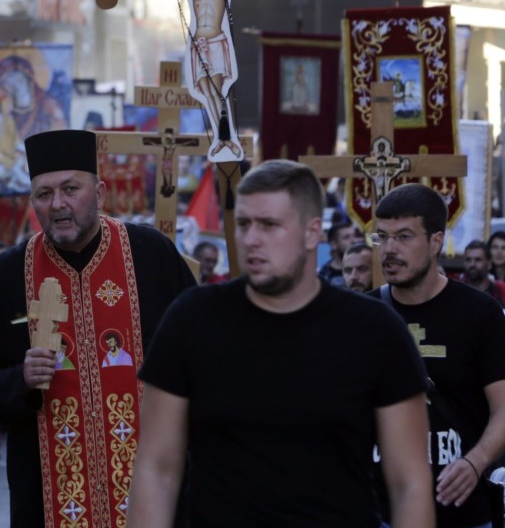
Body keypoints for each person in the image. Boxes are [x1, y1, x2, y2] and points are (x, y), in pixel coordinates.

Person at [128, 159, 433, 528]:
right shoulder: (193, 320)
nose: (251, 239)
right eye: (244, 224)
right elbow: (157, 468)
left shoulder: (374, 331)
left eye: (269, 225)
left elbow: (409, 483)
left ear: (312, 232)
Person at [0, 129, 196, 528]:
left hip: (154, 493)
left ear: (100, 192)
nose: (58, 205)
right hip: (46, 499)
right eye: (44, 194)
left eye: (71, 189)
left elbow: (199, 359)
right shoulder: (6, 275)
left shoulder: (152, 255)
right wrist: (19, 380)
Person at [372, 183, 505, 528]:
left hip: (463, 512)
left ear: (435, 241)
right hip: (379, 512)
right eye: (381, 237)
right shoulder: (362, 315)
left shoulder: (480, 313)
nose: (389, 249)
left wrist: (476, 462)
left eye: (403, 237)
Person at [110, 0, 297, 161]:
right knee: (206, 91)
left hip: (216, 42)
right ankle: (222, 138)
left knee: (217, 89)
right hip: (198, 47)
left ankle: (226, 138)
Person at [460, 239, 505, 307]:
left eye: (478, 260)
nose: (472, 264)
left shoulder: (501, 290)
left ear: (489, 264)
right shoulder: (456, 290)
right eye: (468, 260)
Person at [318, 220, 356, 285]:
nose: (354, 241)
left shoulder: (366, 267)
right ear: (333, 244)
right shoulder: (325, 275)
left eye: (354, 236)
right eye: (346, 237)